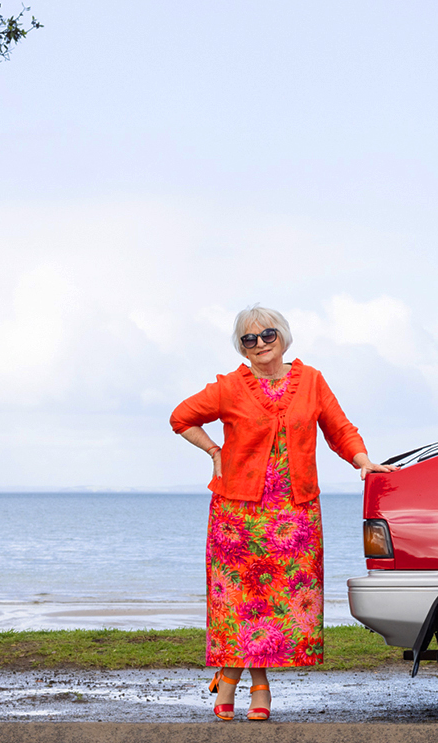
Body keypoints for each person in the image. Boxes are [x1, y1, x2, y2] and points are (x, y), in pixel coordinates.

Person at [170, 305, 397, 721]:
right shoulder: (228, 387)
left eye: (267, 335)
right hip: (237, 516)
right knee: (238, 603)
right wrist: (214, 451)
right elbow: (181, 417)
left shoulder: (311, 381)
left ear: (283, 337)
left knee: (274, 605)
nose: (260, 344)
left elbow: (339, 429)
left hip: (295, 514)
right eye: (249, 339)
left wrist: (362, 460)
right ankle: (254, 686)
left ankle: (232, 677)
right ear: (242, 348)